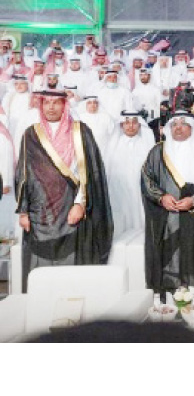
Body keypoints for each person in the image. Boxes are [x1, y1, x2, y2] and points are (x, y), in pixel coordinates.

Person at [15, 89, 113, 292]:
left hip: (70, 209)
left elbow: (91, 172)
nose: (51, 107)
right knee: (40, 270)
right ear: (41, 106)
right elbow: (24, 174)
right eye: (46, 103)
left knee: (72, 268)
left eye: (56, 103)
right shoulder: (31, 134)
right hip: (39, 212)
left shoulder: (80, 131)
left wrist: (80, 204)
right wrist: (23, 211)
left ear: (64, 105)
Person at [140, 112, 194, 294]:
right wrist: (161, 197)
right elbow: (146, 178)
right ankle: (166, 298)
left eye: (183, 124)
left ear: (192, 127)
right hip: (166, 217)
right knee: (167, 257)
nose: (178, 128)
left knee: (192, 257)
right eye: (174, 124)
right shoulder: (158, 151)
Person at [105, 111, 155, 238]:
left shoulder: (146, 144)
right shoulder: (114, 145)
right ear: (121, 125)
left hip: (140, 192)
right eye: (127, 123)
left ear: (140, 125)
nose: (130, 126)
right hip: (119, 193)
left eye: (134, 122)